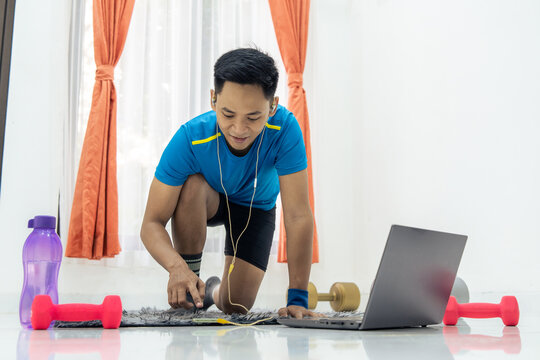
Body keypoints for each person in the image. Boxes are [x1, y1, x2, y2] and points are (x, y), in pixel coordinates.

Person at [140, 48, 317, 319]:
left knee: (236, 306)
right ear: (213, 100)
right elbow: (151, 223)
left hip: (255, 207)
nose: (238, 129)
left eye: (253, 117)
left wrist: (298, 299)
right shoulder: (190, 138)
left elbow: (298, 216)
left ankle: (211, 292)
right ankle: (191, 288)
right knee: (192, 186)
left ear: (272, 106)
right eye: (228, 114)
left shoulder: (285, 129)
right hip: (208, 198)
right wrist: (177, 267)